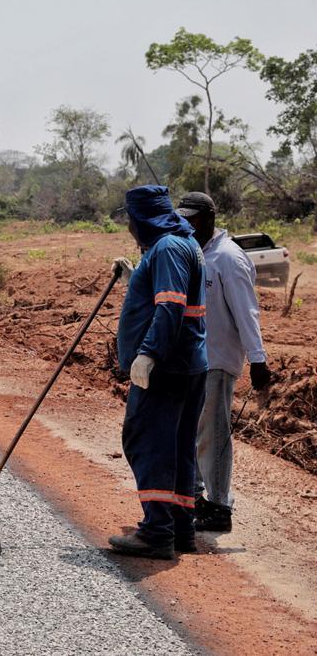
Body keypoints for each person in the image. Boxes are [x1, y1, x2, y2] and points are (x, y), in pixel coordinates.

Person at [109, 185, 208, 559]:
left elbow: (170, 306)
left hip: (167, 367)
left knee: (148, 442)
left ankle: (156, 533)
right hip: (189, 364)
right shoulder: (182, 245)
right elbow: (163, 291)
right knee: (179, 447)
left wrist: (148, 354)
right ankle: (181, 529)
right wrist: (135, 276)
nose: (131, 230)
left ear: (142, 219)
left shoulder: (167, 249)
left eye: (132, 222)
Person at [176, 191, 271, 532]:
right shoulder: (196, 253)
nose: (186, 223)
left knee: (213, 435)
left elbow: (247, 312)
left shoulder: (229, 258)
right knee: (196, 432)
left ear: (209, 218)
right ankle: (199, 496)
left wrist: (258, 359)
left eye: (193, 218)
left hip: (219, 358)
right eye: (183, 218)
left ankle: (218, 507)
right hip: (196, 358)